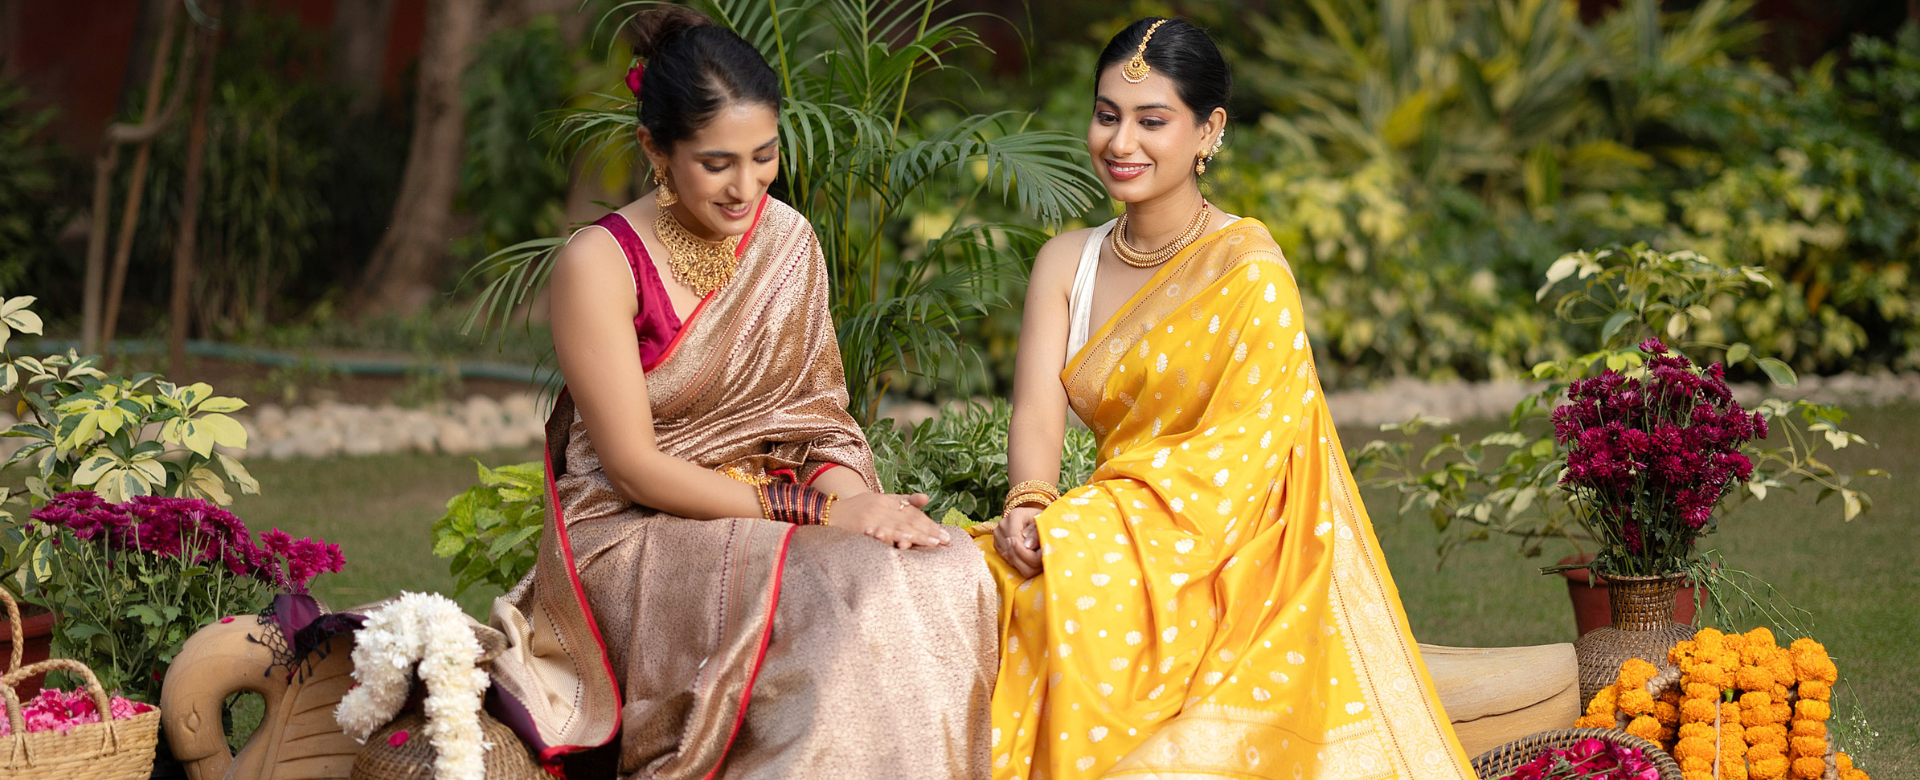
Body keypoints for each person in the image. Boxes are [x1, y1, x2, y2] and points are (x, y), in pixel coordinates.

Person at [486, 8, 997, 778]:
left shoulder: (786, 239)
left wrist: (866, 511)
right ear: (655, 149)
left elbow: (816, 423)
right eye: (717, 163)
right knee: (833, 583)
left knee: (941, 568)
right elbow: (632, 468)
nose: (746, 186)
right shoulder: (600, 264)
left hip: (779, 510)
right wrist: (823, 518)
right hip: (639, 530)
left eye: (764, 157)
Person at [975, 17, 1476, 779]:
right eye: (1107, 115)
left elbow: (1241, 460)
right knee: (975, 584)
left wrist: (1095, 525)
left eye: (1152, 121)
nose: (1121, 143)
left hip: (1224, 546)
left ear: (1209, 130)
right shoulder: (1066, 262)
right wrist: (1032, 501)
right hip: (1108, 526)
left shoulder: (1248, 271)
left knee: (1066, 603)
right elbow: (1036, 413)